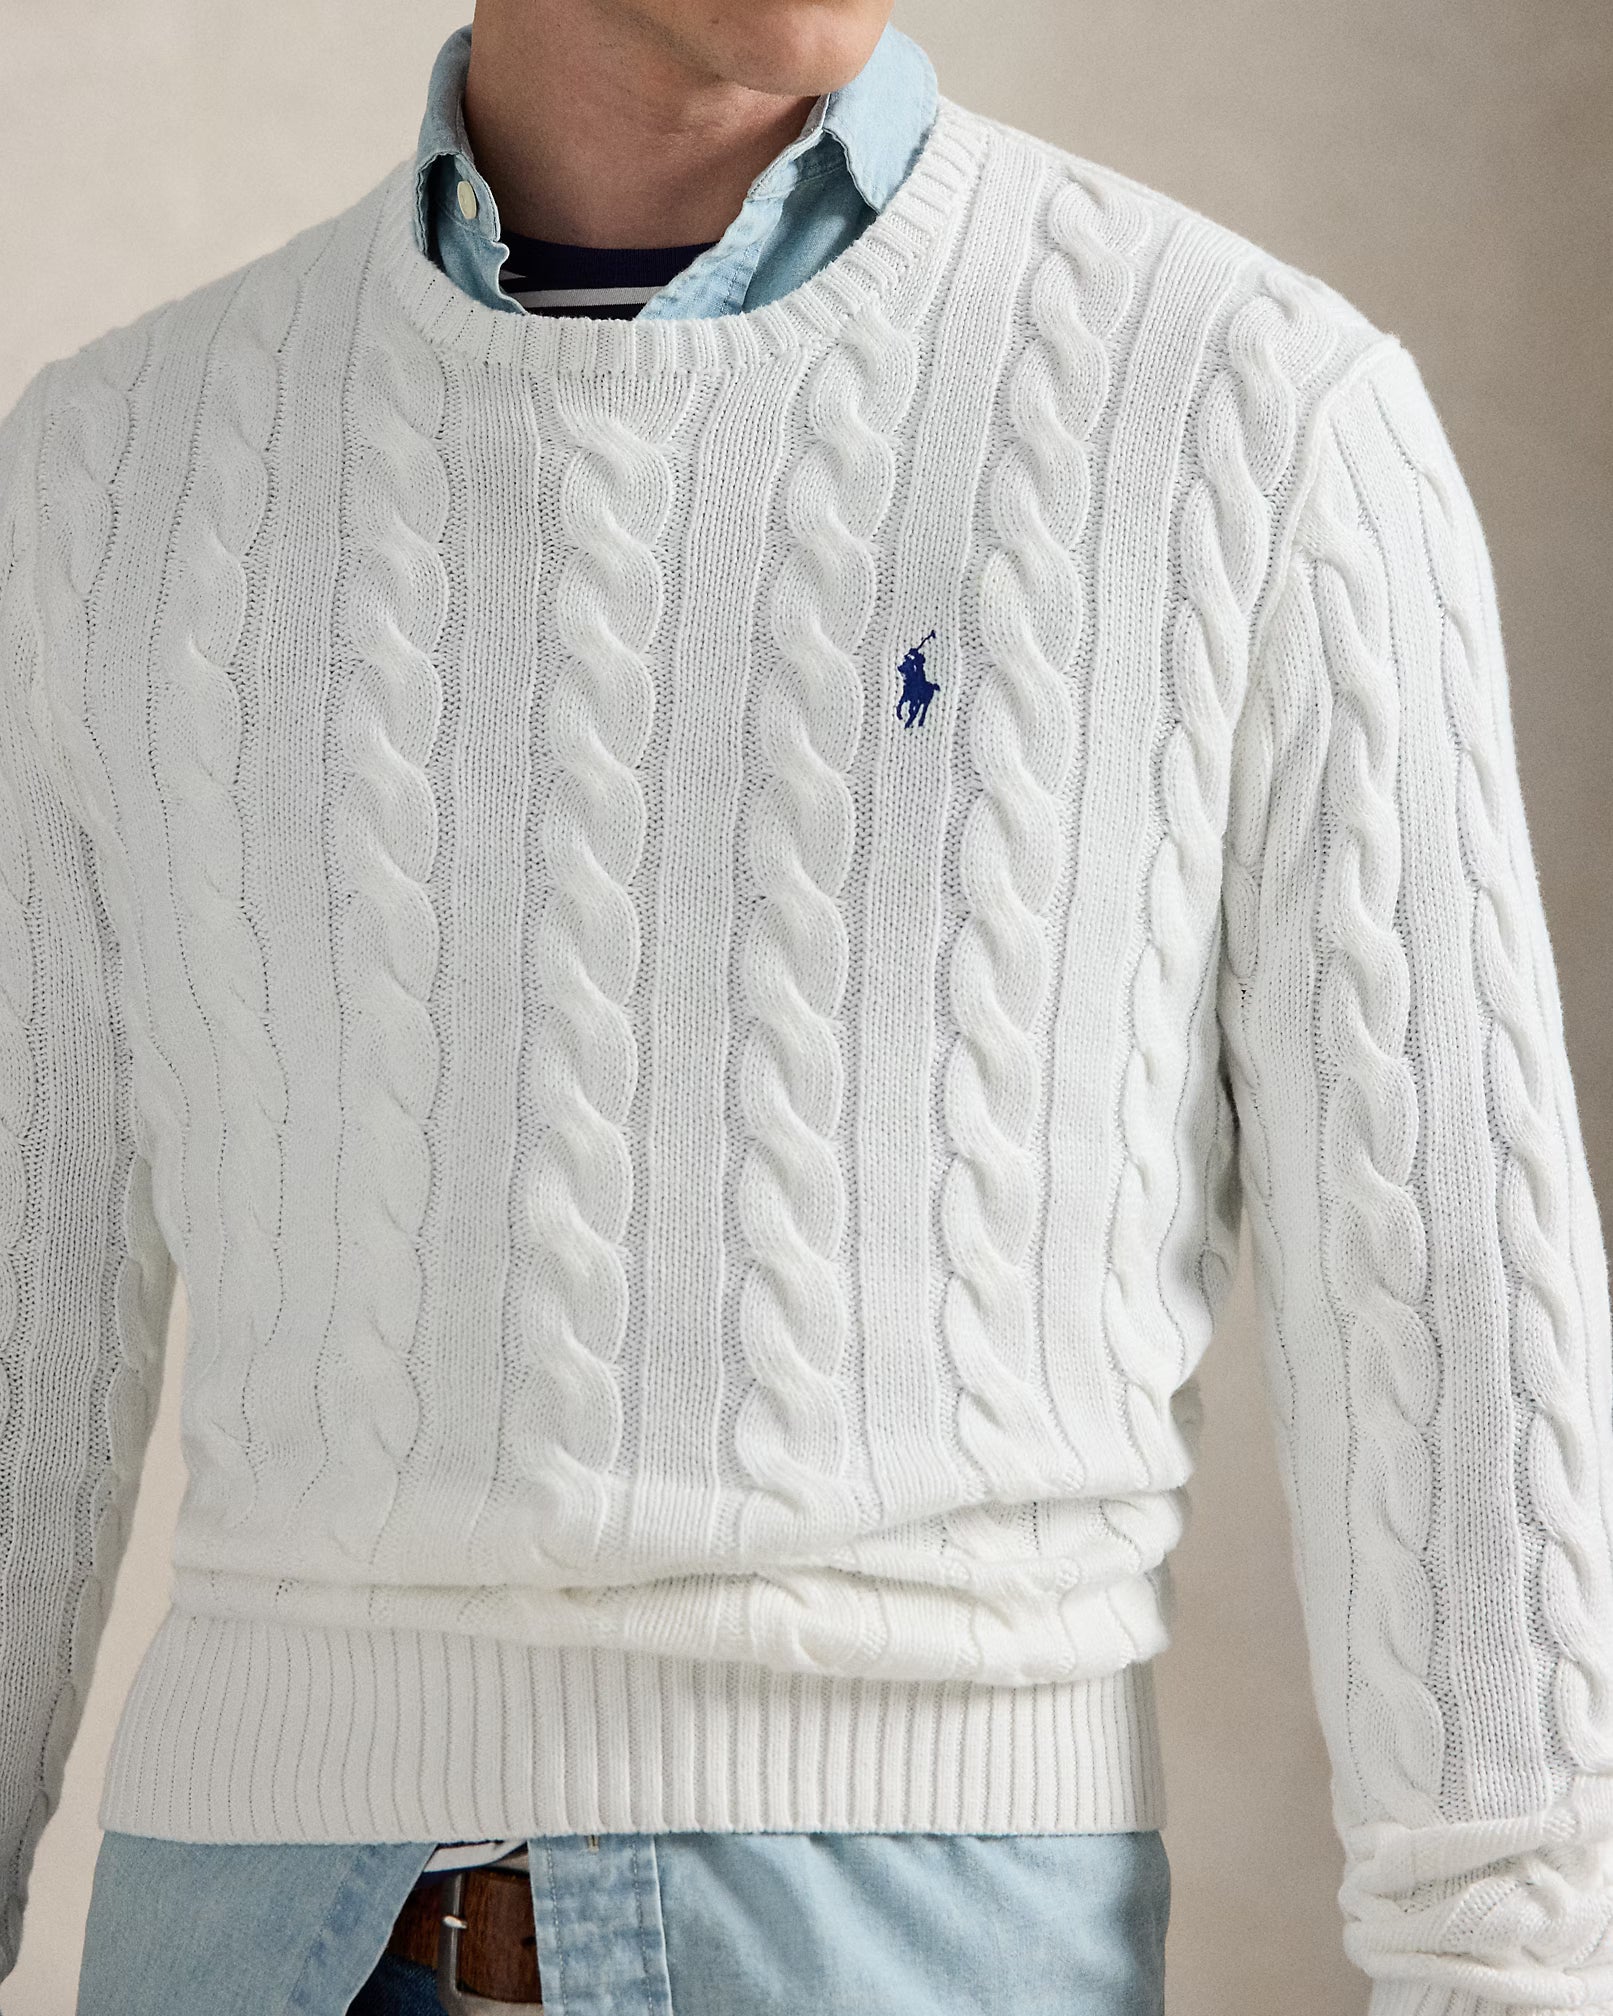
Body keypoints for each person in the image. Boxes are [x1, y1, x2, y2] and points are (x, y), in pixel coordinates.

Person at [0, 0, 1608, 2009]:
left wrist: (1505, 1971)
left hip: (917, 1933)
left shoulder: (1249, 413)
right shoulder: (114, 473)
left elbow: (1445, 1294)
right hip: (234, 1934)